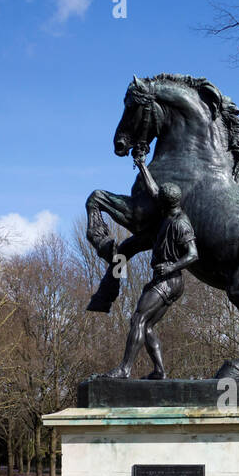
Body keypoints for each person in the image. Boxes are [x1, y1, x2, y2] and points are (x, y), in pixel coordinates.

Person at [102, 155, 198, 379]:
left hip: (168, 279)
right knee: (146, 327)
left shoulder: (180, 223)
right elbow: (154, 190)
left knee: (138, 319)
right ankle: (159, 371)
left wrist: (172, 266)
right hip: (166, 279)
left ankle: (124, 369)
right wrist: (142, 164)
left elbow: (193, 254)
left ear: (166, 203)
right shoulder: (167, 211)